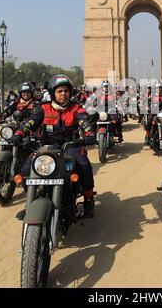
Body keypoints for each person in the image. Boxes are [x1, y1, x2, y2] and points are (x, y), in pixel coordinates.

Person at [12, 75, 97, 218]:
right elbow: (31, 122)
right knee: (26, 170)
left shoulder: (76, 108)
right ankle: (31, 202)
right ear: (52, 93)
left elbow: (85, 122)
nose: (63, 94)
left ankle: (88, 200)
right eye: (59, 91)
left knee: (84, 166)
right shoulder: (44, 108)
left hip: (70, 146)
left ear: (70, 92)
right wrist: (20, 133)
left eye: (65, 91)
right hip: (47, 147)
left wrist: (89, 134)